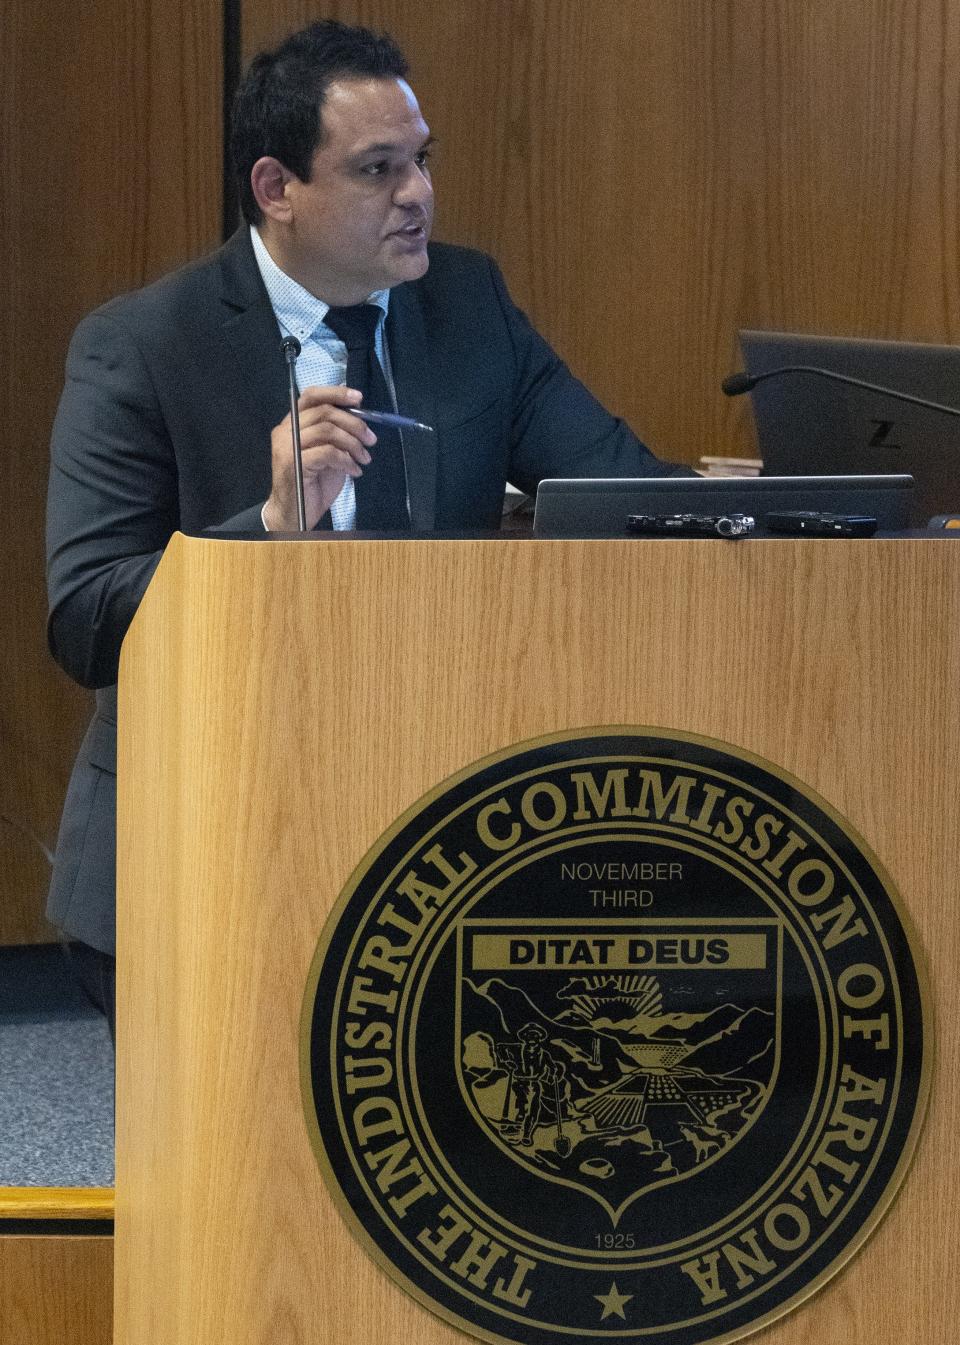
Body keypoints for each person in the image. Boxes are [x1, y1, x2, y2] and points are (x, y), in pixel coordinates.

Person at [45, 19, 692, 1025]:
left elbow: (627, 495)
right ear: (277, 189)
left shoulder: (469, 306)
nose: (418, 193)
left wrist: (750, 511)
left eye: (421, 160)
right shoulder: (143, 345)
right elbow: (85, 619)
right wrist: (263, 526)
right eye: (377, 168)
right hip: (208, 831)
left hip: (434, 836)